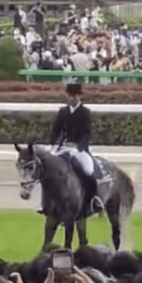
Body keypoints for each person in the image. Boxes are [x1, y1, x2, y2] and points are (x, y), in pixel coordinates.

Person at [48, 83, 101, 216]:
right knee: (48, 169)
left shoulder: (85, 112)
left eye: (74, 96)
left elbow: (87, 132)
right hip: (64, 147)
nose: (71, 98)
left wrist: (79, 147)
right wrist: (51, 145)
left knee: (89, 171)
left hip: (79, 148)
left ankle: (94, 199)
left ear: (79, 96)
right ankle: (47, 201)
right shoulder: (63, 111)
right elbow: (56, 130)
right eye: (69, 96)